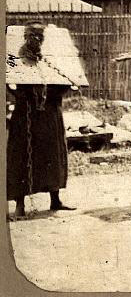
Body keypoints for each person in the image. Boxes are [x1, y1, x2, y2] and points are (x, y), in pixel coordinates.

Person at [7, 22, 76, 219]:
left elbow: (64, 80)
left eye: (40, 37)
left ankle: (55, 199)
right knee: (21, 156)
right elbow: (7, 79)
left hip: (50, 112)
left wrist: (64, 87)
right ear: (25, 37)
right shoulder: (15, 58)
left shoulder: (50, 59)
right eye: (32, 36)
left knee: (53, 153)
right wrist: (18, 94)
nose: (37, 40)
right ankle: (20, 204)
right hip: (26, 114)